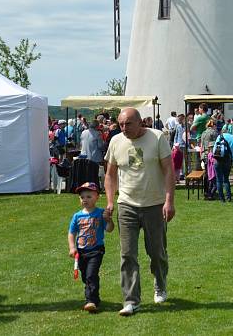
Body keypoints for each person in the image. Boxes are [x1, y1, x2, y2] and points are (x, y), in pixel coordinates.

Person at [104, 108, 175, 316]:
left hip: (154, 203)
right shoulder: (116, 141)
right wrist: (110, 201)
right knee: (127, 254)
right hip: (127, 204)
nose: (124, 129)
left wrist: (169, 201)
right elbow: (110, 175)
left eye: (128, 124)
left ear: (140, 122)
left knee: (157, 252)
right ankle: (131, 300)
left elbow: (168, 170)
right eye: (121, 124)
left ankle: (160, 284)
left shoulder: (157, 137)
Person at [68, 181, 114, 313]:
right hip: (81, 252)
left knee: (91, 275)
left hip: (96, 250)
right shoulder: (77, 216)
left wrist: (109, 220)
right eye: (82, 197)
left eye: (89, 196)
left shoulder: (100, 213)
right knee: (85, 277)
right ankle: (95, 298)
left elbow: (110, 229)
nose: (85, 199)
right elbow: (72, 233)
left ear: (97, 197)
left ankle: (90, 301)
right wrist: (72, 247)